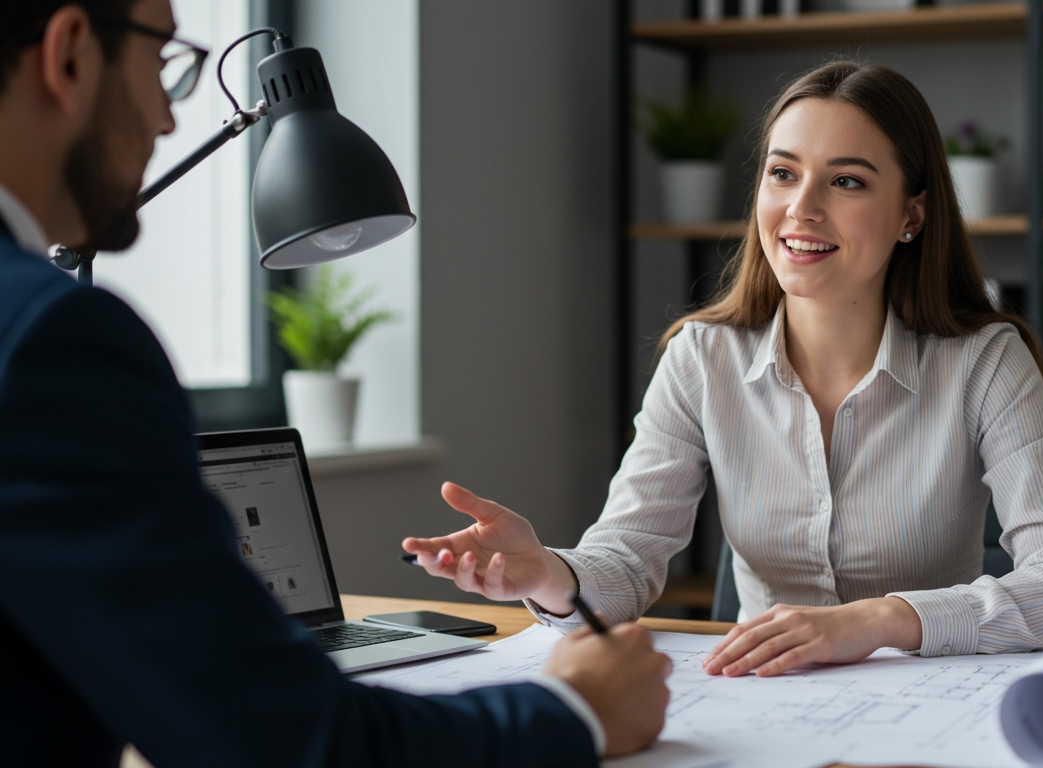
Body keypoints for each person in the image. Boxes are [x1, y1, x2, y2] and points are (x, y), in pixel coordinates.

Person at [0, 1, 670, 765]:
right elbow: (285, 742)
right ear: (70, 54)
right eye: (163, 67)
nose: (164, 120)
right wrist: (574, 710)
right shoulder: (50, 339)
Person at [404, 61, 1043, 678]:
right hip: (758, 700)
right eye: (782, 173)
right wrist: (548, 575)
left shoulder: (985, 361)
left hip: (924, 706)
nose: (800, 209)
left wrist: (877, 621)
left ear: (912, 215)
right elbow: (627, 558)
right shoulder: (700, 358)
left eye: (846, 181)